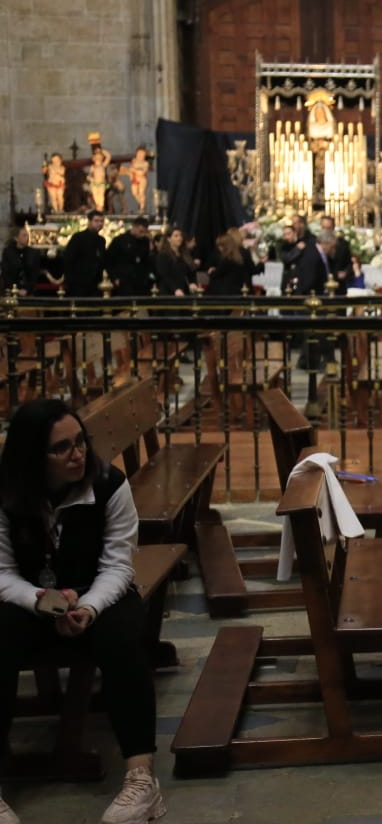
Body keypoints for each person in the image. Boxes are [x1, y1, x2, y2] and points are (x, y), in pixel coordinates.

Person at [0, 400, 167, 824]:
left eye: (80, 442)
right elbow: (1, 571)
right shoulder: (4, 492)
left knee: (125, 638)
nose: (77, 455)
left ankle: (141, 779)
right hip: (29, 598)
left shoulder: (109, 484)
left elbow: (118, 565)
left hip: (98, 593)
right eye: (61, 448)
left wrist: (89, 608)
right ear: (31, 456)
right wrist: (40, 600)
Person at [106, 218, 155, 296]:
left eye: (145, 232)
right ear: (134, 227)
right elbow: (109, 260)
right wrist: (114, 278)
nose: (142, 234)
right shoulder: (119, 240)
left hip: (140, 282)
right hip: (123, 280)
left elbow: (146, 261)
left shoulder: (145, 241)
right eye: (141, 231)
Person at [205, 229, 263, 296]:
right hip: (243, 289)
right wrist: (260, 263)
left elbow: (217, 273)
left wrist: (212, 271)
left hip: (227, 292)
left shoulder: (227, 257)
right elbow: (252, 270)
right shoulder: (243, 254)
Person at [62, 213, 107, 297]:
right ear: (89, 222)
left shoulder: (101, 240)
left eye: (101, 221)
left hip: (95, 283)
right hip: (79, 282)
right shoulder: (78, 238)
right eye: (96, 221)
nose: (99, 224)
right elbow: (69, 259)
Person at [0, 227, 54, 296]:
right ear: (16, 238)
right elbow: (5, 273)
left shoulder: (33, 253)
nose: (27, 238)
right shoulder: (8, 253)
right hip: (11, 291)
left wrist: (27, 289)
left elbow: (34, 274)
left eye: (28, 235)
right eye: (24, 235)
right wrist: (15, 290)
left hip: (28, 291)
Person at [154, 228, 197, 296]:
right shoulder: (163, 255)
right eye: (176, 236)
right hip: (168, 291)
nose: (179, 238)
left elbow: (191, 272)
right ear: (169, 239)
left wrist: (192, 283)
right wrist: (175, 289)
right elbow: (165, 275)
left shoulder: (185, 254)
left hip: (183, 290)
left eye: (180, 236)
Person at [317, 216, 355, 289]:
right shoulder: (315, 244)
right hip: (320, 285)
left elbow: (349, 264)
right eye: (324, 228)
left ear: (333, 228)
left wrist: (345, 272)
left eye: (329, 228)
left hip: (338, 284)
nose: (326, 231)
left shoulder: (343, 244)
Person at [122, 147, 151, 214]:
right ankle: (142, 203)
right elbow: (130, 170)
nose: (140, 155)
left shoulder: (145, 163)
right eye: (139, 153)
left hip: (142, 179)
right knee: (134, 192)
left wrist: (135, 170)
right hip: (135, 178)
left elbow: (142, 172)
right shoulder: (134, 161)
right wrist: (129, 172)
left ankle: (142, 208)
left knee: (141, 192)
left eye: (142, 154)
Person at [87, 147, 113, 214]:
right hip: (94, 183)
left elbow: (108, 156)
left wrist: (101, 150)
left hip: (101, 183)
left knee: (101, 195)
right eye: (96, 158)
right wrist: (90, 178)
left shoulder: (103, 165)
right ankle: (97, 206)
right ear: (94, 158)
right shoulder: (93, 167)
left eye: (100, 157)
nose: (98, 159)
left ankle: (100, 207)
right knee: (95, 195)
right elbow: (89, 175)